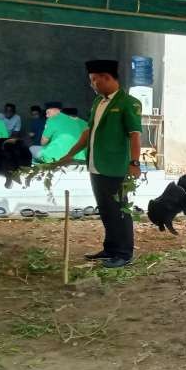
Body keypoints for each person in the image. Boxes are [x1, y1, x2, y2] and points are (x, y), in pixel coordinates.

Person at [55, 60, 143, 269]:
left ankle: (124, 253)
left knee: (120, 210)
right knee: (105, 209)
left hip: (116, 167)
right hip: (96, 165)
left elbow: (135, 135)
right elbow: (88, 133)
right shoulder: (97, 103)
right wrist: (69, 155)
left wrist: (135, 162)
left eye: (94, 80)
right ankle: (111, 248)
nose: (92, 84)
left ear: (106, 77)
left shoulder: (128, 103)